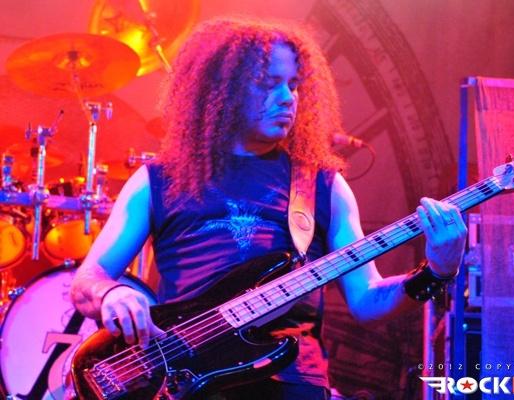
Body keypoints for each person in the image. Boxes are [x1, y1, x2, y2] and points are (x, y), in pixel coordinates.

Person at [71, 18, 467, 400]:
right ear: (223, 91)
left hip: (292, 381)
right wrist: (110, 293)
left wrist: (436, 271)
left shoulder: (322, 185)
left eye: (293, 85)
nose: (288, 98)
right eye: (267, 84)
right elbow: (87, 282)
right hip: (183, 381)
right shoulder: (158, 179)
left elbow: (365, 300)